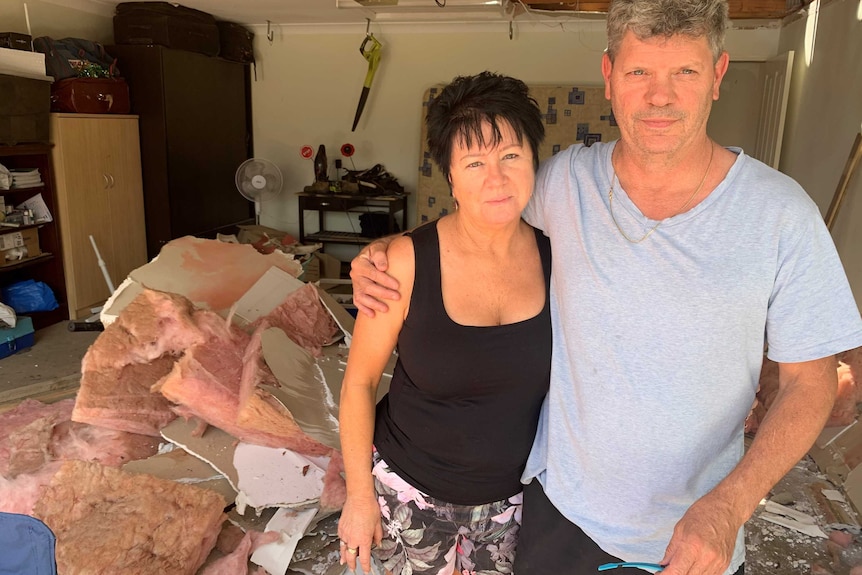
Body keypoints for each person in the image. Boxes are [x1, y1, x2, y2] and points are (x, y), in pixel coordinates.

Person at [348, 0, 862, 574]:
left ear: (718, 75)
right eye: (640, 71)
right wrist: (386, 252)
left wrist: (730, 506)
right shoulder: (565, 182)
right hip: (559, 518)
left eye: (685, 72)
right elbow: (485, 206)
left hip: (697, 535)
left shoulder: (781, 214)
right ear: (610, 75)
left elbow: (811, 382)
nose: (659, 97)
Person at [337, 71, 552, 575]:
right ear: (451, 176)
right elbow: (359, 383)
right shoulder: (404, 263)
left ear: (533, 161)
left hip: (513, 508)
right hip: (407, 498)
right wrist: (358, 497)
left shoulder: (556, 255)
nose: (495, 178)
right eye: (475, 162)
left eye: (511, 156)